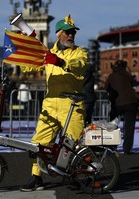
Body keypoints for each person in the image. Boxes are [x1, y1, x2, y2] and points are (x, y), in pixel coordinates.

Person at [20, 15, 89, 191]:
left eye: (73, 32)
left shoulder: (80, 52)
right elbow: (28, 67)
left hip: (72, 104)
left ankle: (76, 174)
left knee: (75, 144)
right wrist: (23, 48)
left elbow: (80, 64)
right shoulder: (48, 53)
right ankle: (36, 177)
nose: (71, 35)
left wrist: (61, 62)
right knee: (40, 143)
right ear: (59, 34)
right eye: (67, 32)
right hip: (50, 104)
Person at [104, 60, 138, 155]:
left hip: (117, 104)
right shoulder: (127, 74)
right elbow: (134, 83)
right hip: (131, 102)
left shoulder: (112, 76)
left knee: (112, 125)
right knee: (129, 127)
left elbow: (106, 87)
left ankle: (112, 146)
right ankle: (127, 149)